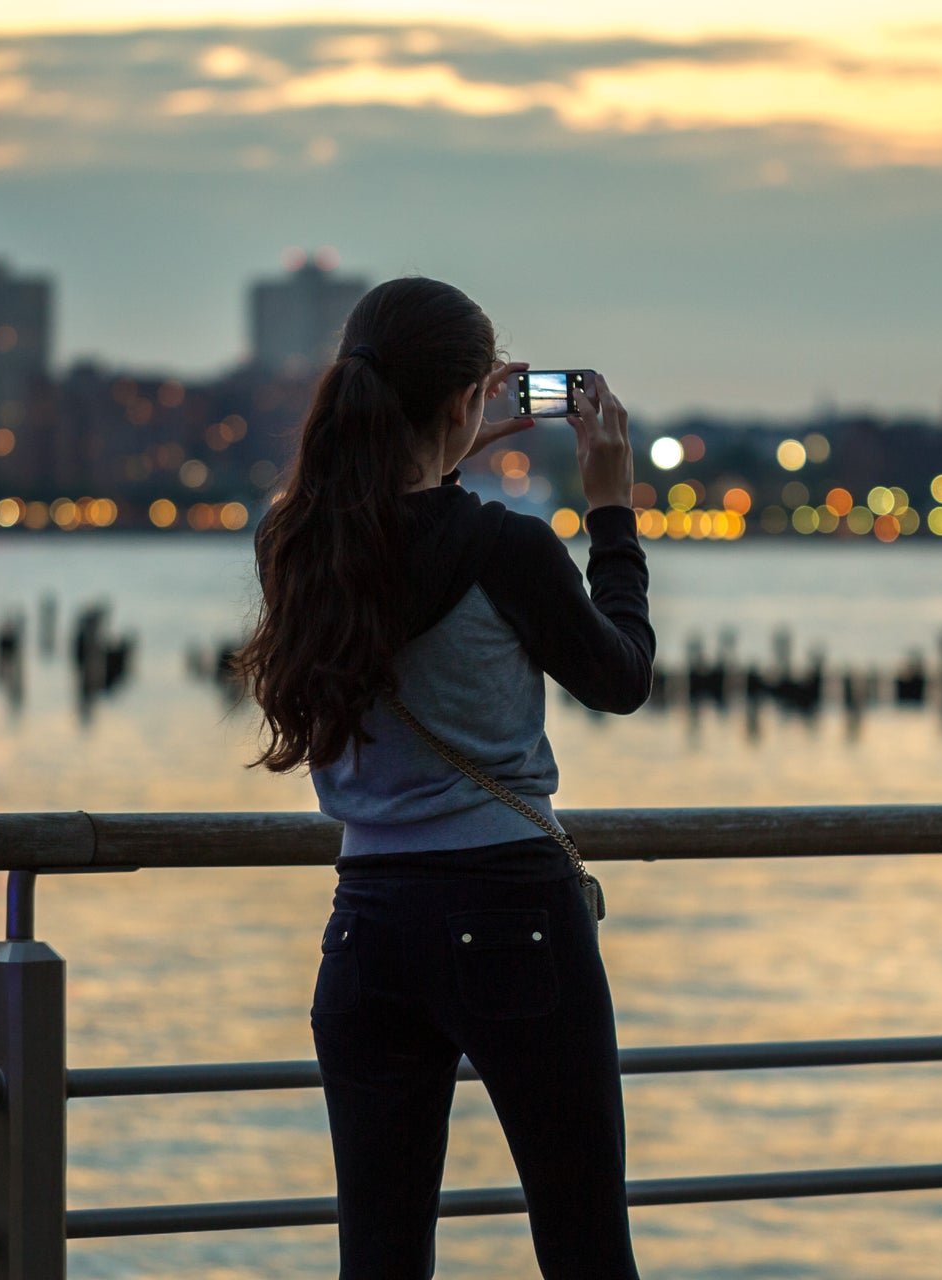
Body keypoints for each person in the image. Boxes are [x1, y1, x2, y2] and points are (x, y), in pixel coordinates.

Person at [235, 275, 653, 1279]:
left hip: (368, 926)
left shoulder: (297, 543)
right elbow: (623, 675)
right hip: (512, 914)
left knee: (380, 1263)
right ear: (470, 397)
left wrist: (452, 438)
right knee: (585, 1245)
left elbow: (396, 515)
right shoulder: (509, 549)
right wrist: (611, 514)